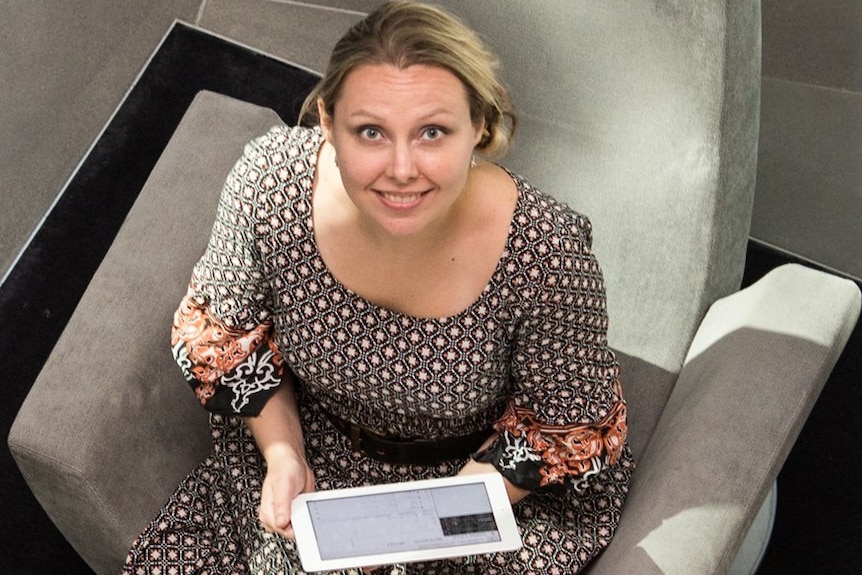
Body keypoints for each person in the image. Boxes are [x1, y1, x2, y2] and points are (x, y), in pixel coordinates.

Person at [122, 2, 634, 574]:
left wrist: (412, 530)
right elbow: (228, 342)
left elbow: (557, 430)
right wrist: (283, 453)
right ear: (327, 120)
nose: (401, 169)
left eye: (432, 132)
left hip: (479, 484)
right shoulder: (270, 188)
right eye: (370, 131)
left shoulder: (547, 251)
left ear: (480, 128)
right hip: (313, 443)